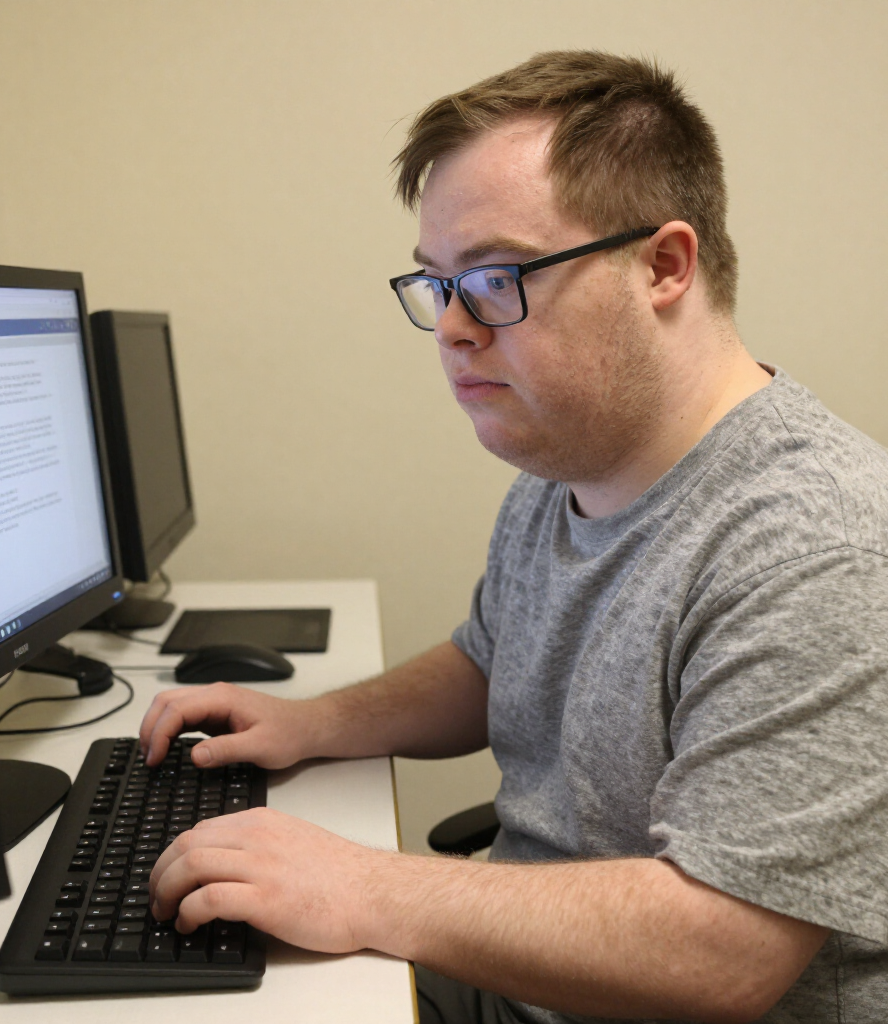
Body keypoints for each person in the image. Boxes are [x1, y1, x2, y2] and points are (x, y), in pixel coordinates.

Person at [141, 51, 888, 1023]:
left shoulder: (815, 551)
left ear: (663, 265)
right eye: (437, 283)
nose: (453, 327)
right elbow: (492, 660)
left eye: (494, 278)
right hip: (526, 982)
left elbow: (722, 953)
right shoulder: (569, 455)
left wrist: (362, 884)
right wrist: (312, 723)